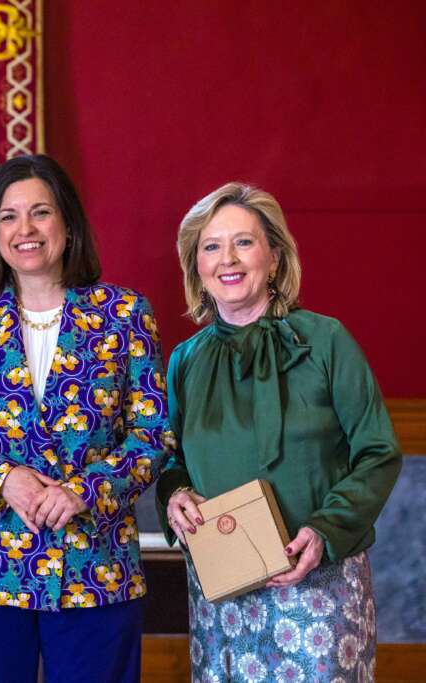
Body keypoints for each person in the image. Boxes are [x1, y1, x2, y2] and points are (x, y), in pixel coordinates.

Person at [0, 154, 172, 682]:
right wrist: (3, 479)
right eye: (9, 216)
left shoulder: (124, 314)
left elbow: (152, 436)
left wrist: (84, 490)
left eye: (41, 212)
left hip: (93, 566)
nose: (25, 229)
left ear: (68, 223)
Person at [157, 182, 402, 682]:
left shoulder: (327, 341)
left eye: (244, 242)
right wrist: (174, 493)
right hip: (223, 596)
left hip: (320, 583)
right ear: (196, 267)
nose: (228, 258)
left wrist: (324, 533)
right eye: (211, 246)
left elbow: (378, 452)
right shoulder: (185, 362)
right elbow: (172, 460)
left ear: (273, 257)